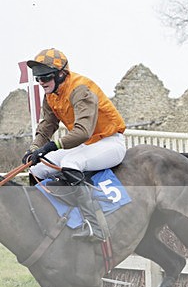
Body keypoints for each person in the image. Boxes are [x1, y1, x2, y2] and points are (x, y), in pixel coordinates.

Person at [24, 48, 127, 242]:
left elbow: (83, 131)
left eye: (45, 77)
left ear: (61, 73)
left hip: (109, 141)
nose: (41, 82)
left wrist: (50, 147)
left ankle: (94, 227)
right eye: (38, 78)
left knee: (71, 162)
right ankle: (43, 218)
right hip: (87, 145)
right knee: (37, 167)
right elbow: (48, 125)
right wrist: (34, 149)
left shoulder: (80, 89)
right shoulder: (51, 95)